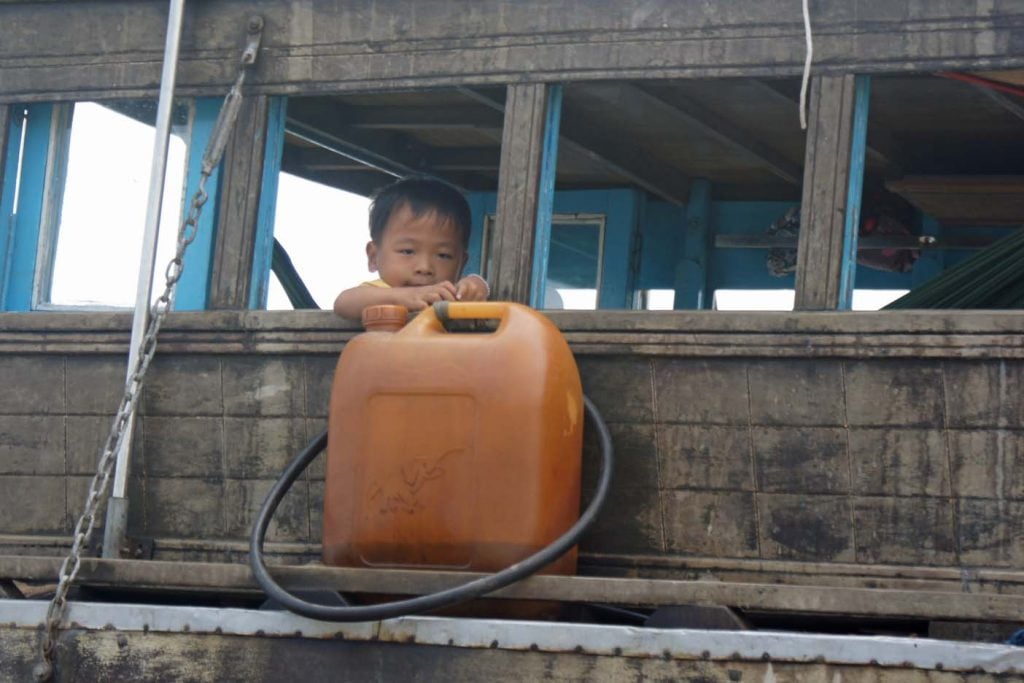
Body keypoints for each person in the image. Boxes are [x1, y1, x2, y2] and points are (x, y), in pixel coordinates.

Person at [333, 176, 489, 319]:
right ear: (373, 257)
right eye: (407, 251)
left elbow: (476, 288)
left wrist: (475, 286)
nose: (424, 267)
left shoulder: (448, 294)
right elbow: (343, 303)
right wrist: (404, 297)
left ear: (462, 264)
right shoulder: (378, 291)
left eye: (443, 255)